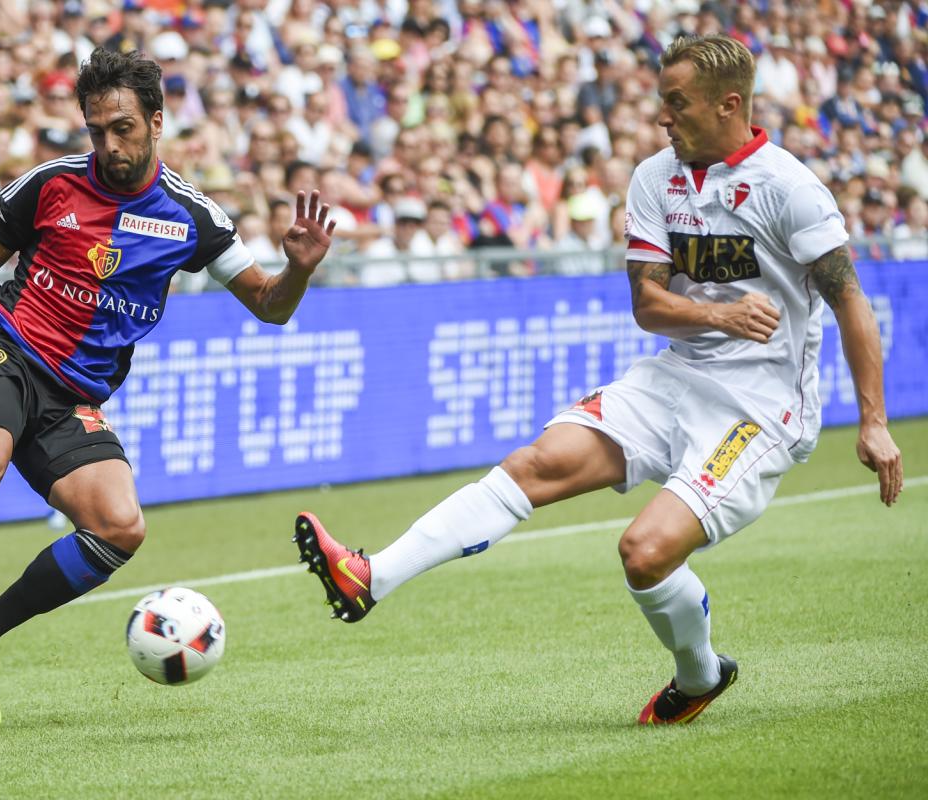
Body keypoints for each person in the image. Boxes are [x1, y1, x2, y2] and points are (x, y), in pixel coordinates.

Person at [293, 35, 903, 726]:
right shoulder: (655, 178)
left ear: (729, 105)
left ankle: (698, 675)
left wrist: (873, 421)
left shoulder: (790, 189)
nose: (662, 118)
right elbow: (648, 306)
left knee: (643, 553)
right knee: (537, 460)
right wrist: (724, 313)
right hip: (676, 377)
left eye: (677, 104)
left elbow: (850, 297)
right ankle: (370, 578)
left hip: (760, 412)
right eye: (661, 103)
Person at [0, 48, 336, 727]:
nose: (107, 144)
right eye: (95, 129)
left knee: (120, 528)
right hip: (7, 350)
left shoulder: (194, 217)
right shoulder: (51, 185)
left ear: (156, 122)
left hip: (75, 397)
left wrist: (297, 269)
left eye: (122, 127)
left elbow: (271, 305)